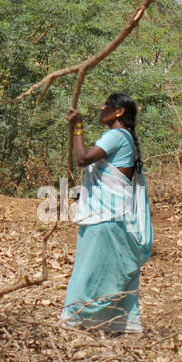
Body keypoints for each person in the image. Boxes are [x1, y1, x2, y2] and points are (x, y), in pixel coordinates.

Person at [61, 92, 153, 334]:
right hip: (116, 216)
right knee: (119, 270)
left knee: (87, 271)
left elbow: (83, 158)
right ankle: (122, 325)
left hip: (104, 217)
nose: (102, 108)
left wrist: (78, 127)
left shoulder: (116, 135)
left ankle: (74, 321)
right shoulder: (127, 139)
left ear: (119, 112)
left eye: (107, 106)